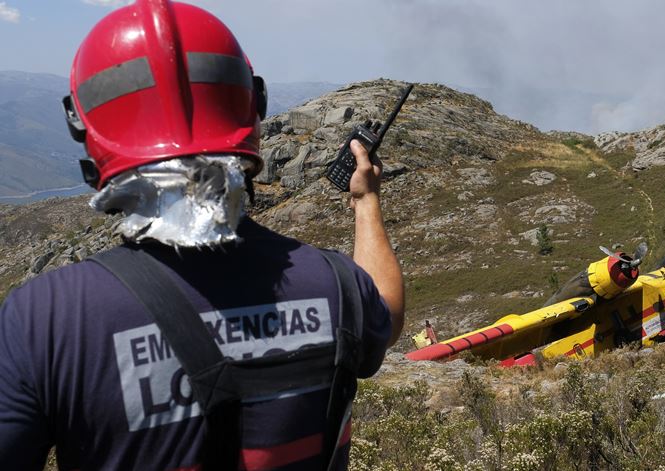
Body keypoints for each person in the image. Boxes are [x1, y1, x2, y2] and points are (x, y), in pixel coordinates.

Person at [0, 0, 404, 469]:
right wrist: (365, 200)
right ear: (252, 107)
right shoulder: (339, 287)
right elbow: (387, 314)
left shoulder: (46, 320)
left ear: (84, 126)